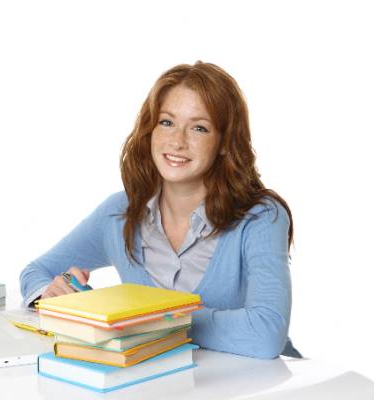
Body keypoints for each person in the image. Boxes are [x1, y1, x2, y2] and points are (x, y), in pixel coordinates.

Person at [19, 61, 301, 359]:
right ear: (150, 129)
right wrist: (52, 299)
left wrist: (144, 321)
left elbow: (266, 333)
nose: (177, 141)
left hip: (264, 386)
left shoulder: (260, 218)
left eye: (199, 128)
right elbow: (36, 272)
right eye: (166, 122)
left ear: (223, 143)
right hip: (161, 383)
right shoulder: (119, 213)